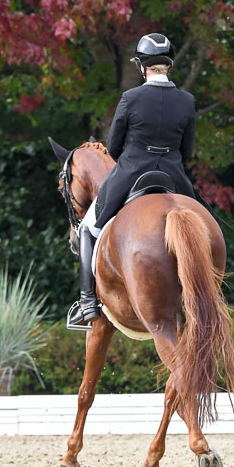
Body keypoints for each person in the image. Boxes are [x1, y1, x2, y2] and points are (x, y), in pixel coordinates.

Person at [67, 32, 200, 330]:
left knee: (88, 227)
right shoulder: (187, 101)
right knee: (206, 223)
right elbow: (187, 151)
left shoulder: (130, 98)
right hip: (174, 175)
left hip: (132, 172)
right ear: (168, 65)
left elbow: (113, 147)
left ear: (142, 66)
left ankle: (87, 302)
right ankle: (213, 291)